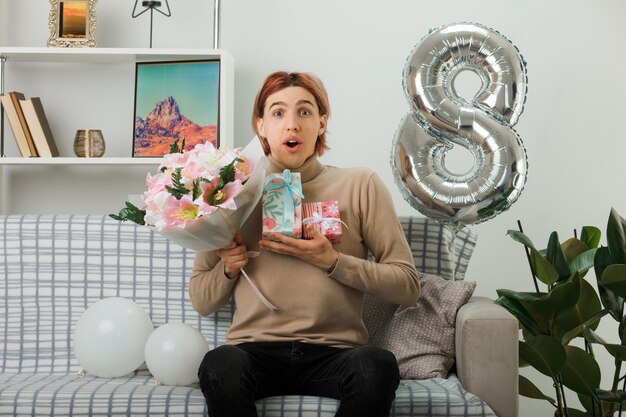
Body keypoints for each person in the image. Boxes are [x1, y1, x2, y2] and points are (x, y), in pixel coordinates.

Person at [189, 71, 421, 417]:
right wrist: (228, 268)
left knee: (377, 365)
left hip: (337, 354)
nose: (292, 125)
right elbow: (201, 300)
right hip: (254, 352)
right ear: (261, 126)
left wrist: (333, 262)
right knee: (219, 364)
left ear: (322, 123)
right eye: (278, 113)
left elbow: (408, 287)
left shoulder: (360, 185)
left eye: (305, 111)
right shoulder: (229, 191)